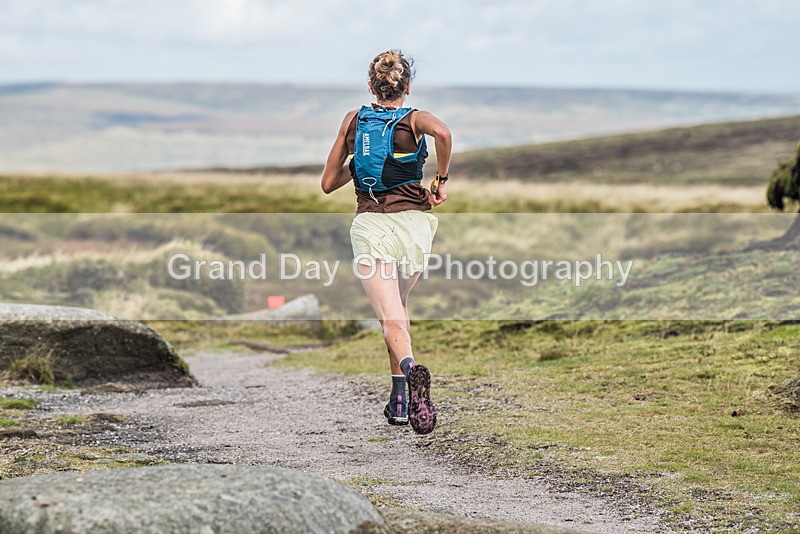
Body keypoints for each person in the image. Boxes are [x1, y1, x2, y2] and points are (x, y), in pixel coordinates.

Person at [320, 50, 452, 435]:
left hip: (372, 226)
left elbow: (328, 184)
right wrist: (440, 180)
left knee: (389, 318)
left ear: (370, 86)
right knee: (399, 310)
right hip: (414, 227)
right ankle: (399, 403)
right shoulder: (415, 119)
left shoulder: (353, 120)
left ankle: (410, 371)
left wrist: (359, 163)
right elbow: (443, 133)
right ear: (407, 87)